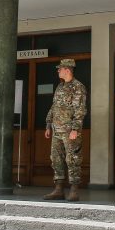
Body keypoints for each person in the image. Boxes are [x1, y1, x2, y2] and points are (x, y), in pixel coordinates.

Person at [43, 58, 87, 201]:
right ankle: (59, 189)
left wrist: (75, 129)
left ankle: (74, 190)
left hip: (69, 131)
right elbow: (53, 106)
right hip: (57, 131)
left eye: (60, 68)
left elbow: (80, 110)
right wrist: (48, 124)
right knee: (56, 159)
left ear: (67, 70)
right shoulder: (60, 87)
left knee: (72, 159)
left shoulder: (78, 87)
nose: (58, 71)